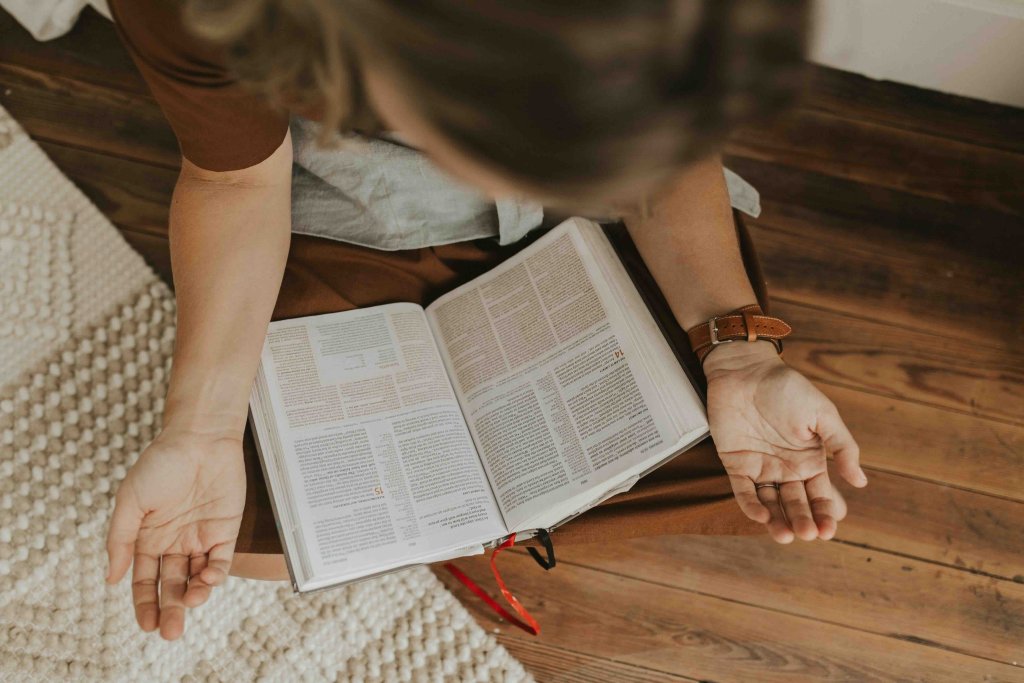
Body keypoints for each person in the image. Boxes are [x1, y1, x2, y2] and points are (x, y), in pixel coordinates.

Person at [102, 0, 868, 641]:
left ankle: (458, 522)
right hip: (354, 202)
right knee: (249, 541)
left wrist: (734, 349)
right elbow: (235, 178)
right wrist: (198, 429)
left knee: (729, 441)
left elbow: (663, 153)